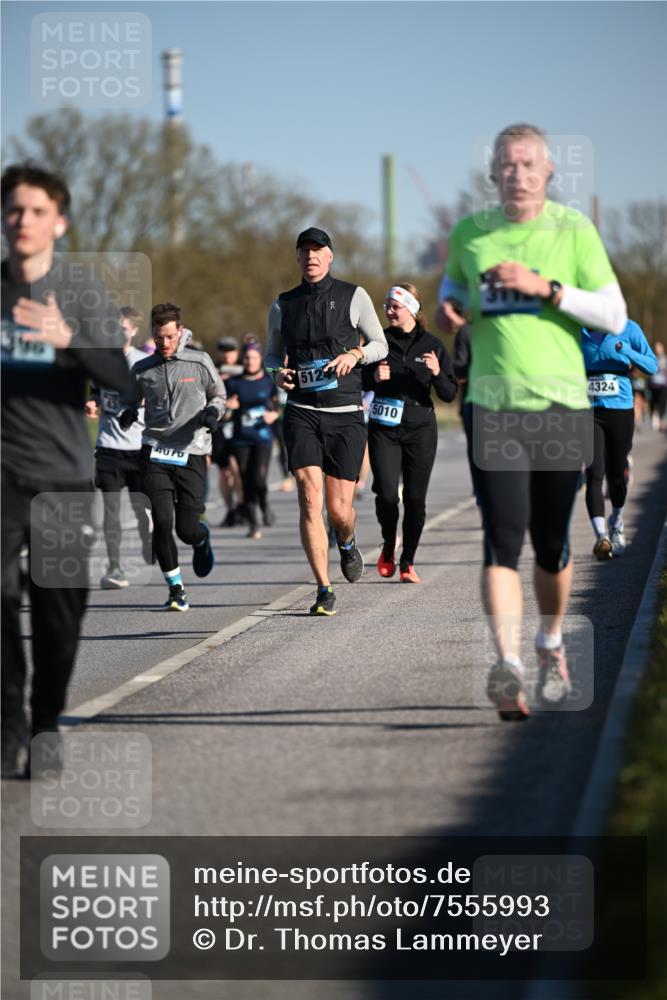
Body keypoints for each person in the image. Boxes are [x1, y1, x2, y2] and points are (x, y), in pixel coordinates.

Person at [439, 123, 627, 720]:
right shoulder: (470, 233)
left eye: (528, 164)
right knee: (502, 539)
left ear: (548, 173)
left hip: (560, 404)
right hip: (491, 407)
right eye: (506, 164)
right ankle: (509, 667)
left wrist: (544, 287)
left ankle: (548, 643)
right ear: (493, 175)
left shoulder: (573, 230)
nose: (517, 172)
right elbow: (452, 289)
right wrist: (449, 308)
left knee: (550, 546)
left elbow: (614, 315)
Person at [1, 162, 131, 776]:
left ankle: (47, 719)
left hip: (60, 474)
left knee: (59, 610)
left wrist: (66, 338)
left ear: (59, 221)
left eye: (34, 210)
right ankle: (9, 723)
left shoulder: (77, 291)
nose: (21, 220)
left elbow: (119, 377)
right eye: (13, 209)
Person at [265, 227, 388, 616]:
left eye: (318, 251)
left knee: (338, 511)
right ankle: (323, 588)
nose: (311, 258)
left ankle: (347, 542)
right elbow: (272, 355)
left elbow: (379, 344)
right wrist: (275, 374)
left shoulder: (354, 295)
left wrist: (355, 355)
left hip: (345, 413)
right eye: (304, 252)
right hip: (301, 410)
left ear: (330, 256)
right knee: (309, 498)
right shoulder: (284, 304)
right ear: (297, 259)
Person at [119, 303, 226, 611]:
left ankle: (201, 538)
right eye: (158, 336)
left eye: (168, 336)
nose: (163, 343)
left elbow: (219, 395)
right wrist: (128, 412)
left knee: (186, 529)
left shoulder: (199, 361)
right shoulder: (143, 368)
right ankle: (176, 588)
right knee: (162, 521)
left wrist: (213, 413)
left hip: (191, 451)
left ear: (180, 331)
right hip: (154, 450)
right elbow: (131, 396)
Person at [364, 282, 457, 582]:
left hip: (420, 429)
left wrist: (438, 374)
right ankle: (389, 542)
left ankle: (408, 562)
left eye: (395, 306)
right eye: (386, 306)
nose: (389, 311)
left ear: (412, 310)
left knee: (416, 499)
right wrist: (373, 377)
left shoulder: (433, 346)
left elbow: (449, 394)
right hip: (384, 427)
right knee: (388, 495)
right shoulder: (377, 342)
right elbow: (357, 378)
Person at [86, 306, 154, 588]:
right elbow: (94, 395)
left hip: (138, 447)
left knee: (142, 509)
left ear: (134, 331)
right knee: (111, 511)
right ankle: (115, 568)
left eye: (123, 329)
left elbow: (157, 397)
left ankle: (149, 539)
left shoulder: (143, 362)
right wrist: (92, 403)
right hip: (109, 447)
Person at [582, 320, 657, 559]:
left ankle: (617, 522)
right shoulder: (577, 331)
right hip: (588, 410)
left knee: (616, 474)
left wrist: (626, 350)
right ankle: (601, 536)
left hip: (620, 409)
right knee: (594, 472)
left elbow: (652, 365)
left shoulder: (629, 328)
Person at [224, 340, 279, 539]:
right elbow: (224, 416)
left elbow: (277, 407)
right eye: (247, 357)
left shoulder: (268, 381)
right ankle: (254, 523)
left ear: (260, 359)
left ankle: (264, 504)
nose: (250, 361)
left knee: (259, 478)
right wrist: (229, 407)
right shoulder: (233, 382)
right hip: (241, 439)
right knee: (246, 480)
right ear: (242, 359)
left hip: (263, 437)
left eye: (254, 357)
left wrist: (274, 416)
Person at [211, 335, 245, 527]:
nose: (227, 355)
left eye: (231, 350)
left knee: (237, 470)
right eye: (224, 351)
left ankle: (242, 506)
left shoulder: (244, 368)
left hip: (240, 426)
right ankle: (230, 509)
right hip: (220, 427)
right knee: (224, 472)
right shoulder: (213, 369)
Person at [648, 341, 667, 431]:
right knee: (653, 403)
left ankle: (661, 421)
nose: (658, 350)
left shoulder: (665, 359)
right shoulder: (651, 358)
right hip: (653, 385)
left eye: (659, 348)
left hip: (663, 385)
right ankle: (654, 416)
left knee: (662, 404)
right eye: (656, 348)